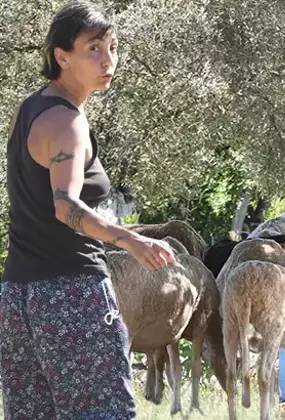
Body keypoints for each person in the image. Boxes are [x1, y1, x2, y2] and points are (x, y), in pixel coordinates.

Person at [0, 2, 176, 418]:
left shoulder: (30, 109)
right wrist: (130, 239)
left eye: (112, 47)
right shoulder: (68, 124)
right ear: (62, 56)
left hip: (19, 297)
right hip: (72, 297)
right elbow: (65, 207)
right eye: (93, 48)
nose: (108, 59)